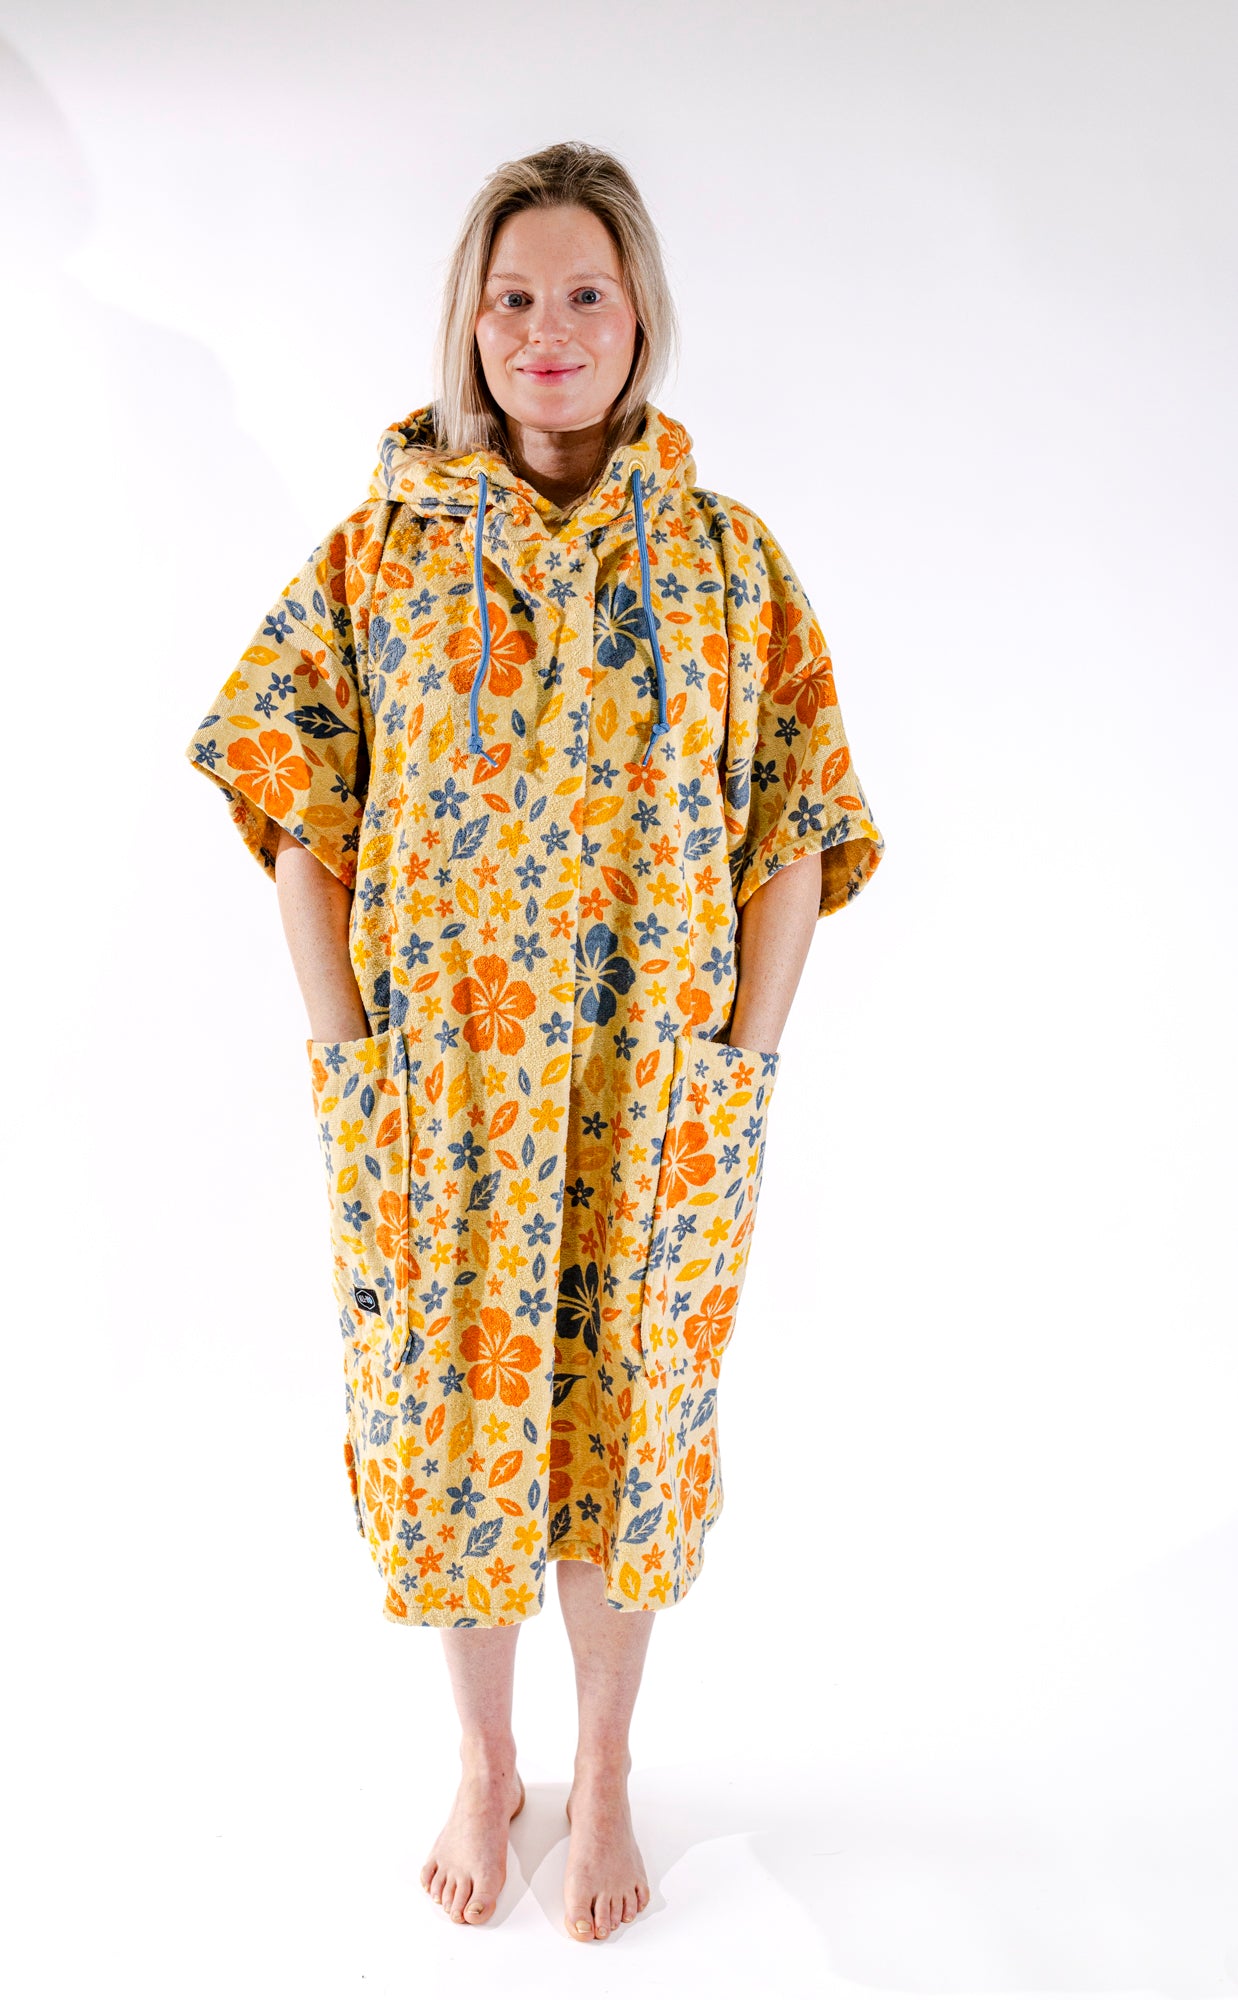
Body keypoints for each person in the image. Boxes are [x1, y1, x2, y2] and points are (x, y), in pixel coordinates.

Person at [186, 138, 885, 1944]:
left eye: (583, 291)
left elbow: (796, 826)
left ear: (638, 312)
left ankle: (611, 1763)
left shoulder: (726, 565)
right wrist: (350, 1053)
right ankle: (487, 1761)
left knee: (628, 1420)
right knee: (451, 1421)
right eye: (512, 297)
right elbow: (292, 799)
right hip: (440, 1099)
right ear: (468, 320)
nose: (546, 329)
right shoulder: (380, 554)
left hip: (657, 1097)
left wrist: (739, 1065)